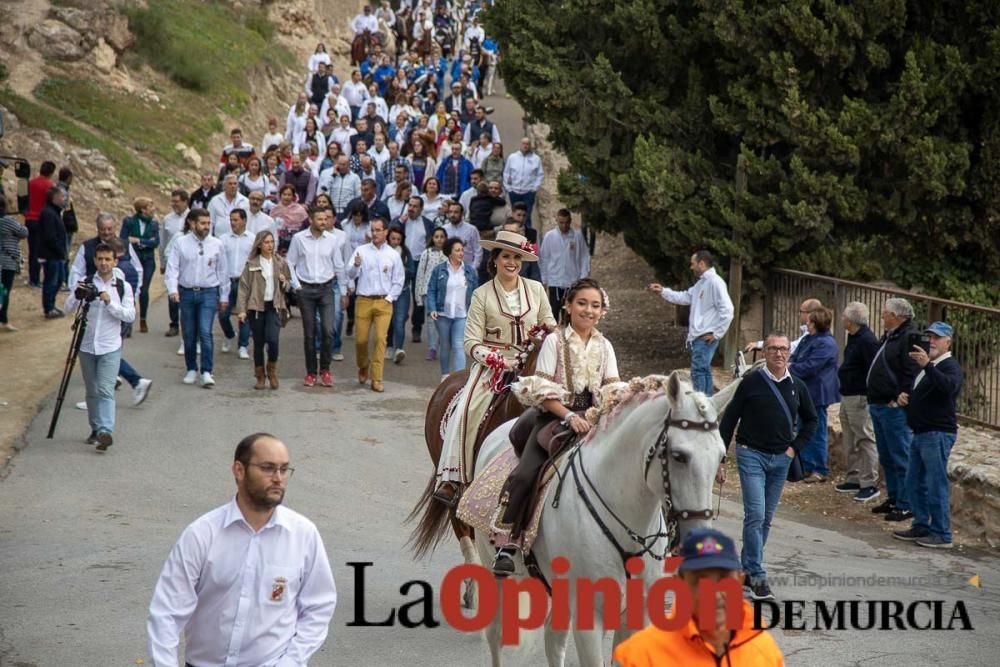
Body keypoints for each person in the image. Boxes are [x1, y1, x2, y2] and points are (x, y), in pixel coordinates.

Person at [147, 433, 337, 665]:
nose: (278, 478)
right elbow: (167, 611)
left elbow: (319, 606)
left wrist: (291, 662)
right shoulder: (202, 534)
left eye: (284, 469)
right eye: (268, 468)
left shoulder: (303, 534)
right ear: (239, 470)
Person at [492, 278, 616, 574]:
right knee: (525, 473)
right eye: (582, 303)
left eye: (595, 305)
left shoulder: (605, 345)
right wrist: (570, 416)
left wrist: (598, 415)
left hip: (594, 417)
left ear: (602, 311)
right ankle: (507, 541)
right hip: (555, 415)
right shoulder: (554, 341)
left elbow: (612, 386)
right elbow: (543, 391)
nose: (589, 310)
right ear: (568, 305)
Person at [433, 230, 555, 504]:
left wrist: (540, 340)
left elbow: (551, 324)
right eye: (506, 256)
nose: (512, 262)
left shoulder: (535, 289)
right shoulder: (481, 294)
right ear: (495, 259)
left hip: (534, 364)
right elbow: (471, 343)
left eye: (517, 257)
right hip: (493, 367)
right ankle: (451, 477)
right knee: (467, 407)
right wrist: (501, 361)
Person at [719, 331, 817, 601]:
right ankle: (757, 575)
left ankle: (745, 572)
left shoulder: (798, 385)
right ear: (765, 353)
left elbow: (811, 420)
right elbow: (729, 420)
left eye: (783, 349)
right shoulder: (750, 382)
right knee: (756, 514)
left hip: (780, 460)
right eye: (773, 348)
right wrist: (720, 458)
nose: (779, 353)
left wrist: (793, 448)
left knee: (766, 519)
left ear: (790, 352)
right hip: (751, 454)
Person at [613, 528, 784, 666]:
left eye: (724, 578)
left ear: (740, 581)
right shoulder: (637, 657)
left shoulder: (765, 651)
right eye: (700, 581)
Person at [892, 322, 963, 549]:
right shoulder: (929, 366)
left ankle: (941, 533)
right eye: (929, 336)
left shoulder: (949, 365)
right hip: (921, 432)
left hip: (937, 433)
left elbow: (948, 388)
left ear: (948, 342)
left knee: (935, 483)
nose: (931, 341)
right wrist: (906, 399)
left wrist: (928, 366)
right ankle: (921, 524)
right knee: (914, 481)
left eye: (937, 338)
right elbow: (925, 396)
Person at [64, 242, 135, 451]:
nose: (104, 263)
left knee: (105, 389)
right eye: (100, 259)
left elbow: (130, 315)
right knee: (92, 390)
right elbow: (68, 308)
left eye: (108, 259)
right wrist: (77, 294)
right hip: (86, 346)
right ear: (95, 261)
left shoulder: (122, 286)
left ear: (115, 261)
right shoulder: (85, 281)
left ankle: (106, 430)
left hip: (110, 346)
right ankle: (95, 428)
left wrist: (109, 302)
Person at [648, 250, 734, 396]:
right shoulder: (702, 283)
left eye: (693, 264)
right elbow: (684, 297)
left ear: (702, 264)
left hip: (704, 337)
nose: (691, 267)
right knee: (703, 370)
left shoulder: (715, 282)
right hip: (700, 337)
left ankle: (700, 406)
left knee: (699, 371)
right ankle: (707, 403)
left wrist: (717, 333)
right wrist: (663, 291)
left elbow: (728, 309)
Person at [866, 297, 921, 522]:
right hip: (879, 403)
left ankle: (906, 503)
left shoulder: (908, 337)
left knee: (900, 456)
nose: (882, 317)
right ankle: (895, 497)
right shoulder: (891, 336)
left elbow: (912, 369)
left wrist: (902, 394)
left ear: (896, 316)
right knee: (887, 456)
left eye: (885, 313)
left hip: (893, 406)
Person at [165, 209, 229, 388]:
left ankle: (207, 371)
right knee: (189, 333)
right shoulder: (181, 243)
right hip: (186, 293)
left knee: (205, 331)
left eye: (208, 223)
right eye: (202, 223)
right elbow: (173, 268)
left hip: (209, 292)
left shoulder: (217, 244)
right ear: (192, 223)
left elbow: (223, 271)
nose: (206, 227)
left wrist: (224, 296)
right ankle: (191, 368)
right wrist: (172, 289)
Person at [287, 207, 350, 387]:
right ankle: (311, 372)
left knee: (328, 330)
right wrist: (296, 286)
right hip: (305, 290)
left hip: (326, 289)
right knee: (309, 333)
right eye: (320, 219)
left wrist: (344, 291)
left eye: (326, 219)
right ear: (311, 220)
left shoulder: (332, 240)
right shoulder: (299, 239)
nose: (324, 222)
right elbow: (289, 263)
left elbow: (339, 266)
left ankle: (325, 369)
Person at [348, 217, 404, 393]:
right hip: (363, 299)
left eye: (378, 230)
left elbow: (399, 280)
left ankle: (377, 377)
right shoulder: (361, 250)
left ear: (386, 232)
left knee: (381, 339)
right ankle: (363, 365)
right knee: (361, 340)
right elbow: (349, 274)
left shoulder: (393, 254)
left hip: (383, 301)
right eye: (372, 230)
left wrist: (389, 298)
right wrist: (356, 266)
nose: (375, 233)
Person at [788, 306, 840, 483]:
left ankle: (819, 468)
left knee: (816, 430)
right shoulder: (809, 339)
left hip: (817, 393)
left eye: (809, 320)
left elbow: (811, 366)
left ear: (815, 323)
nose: (806, 323)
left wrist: (790, 368)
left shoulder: (826, 343)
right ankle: (806, 465)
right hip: (806, 391)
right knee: (804, 428)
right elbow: (796, 357)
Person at [836, 302, 881, 502]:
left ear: (851, 320)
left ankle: (869, 482)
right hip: (847, 394)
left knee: (864, 438)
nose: (842, 319)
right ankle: (854, 477)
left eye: (845, 316)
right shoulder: (853, 337)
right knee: (850, 439)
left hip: (859, 396)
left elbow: (874, 369)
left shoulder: (867, 341)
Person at [237, 231, 292, 390]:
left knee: (273, 340)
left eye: (272, 242)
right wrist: (242, 310)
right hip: (256, 308)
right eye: (266, 242)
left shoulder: (280, 262)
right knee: (259, 343)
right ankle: (260, 375)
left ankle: (272, 369)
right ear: (259, 244)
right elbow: (243, 288)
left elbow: (288, 286)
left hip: (274, 306)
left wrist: (284, 282)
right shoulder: (252, 264)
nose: (270, 245)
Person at [426, 237, 477, 380]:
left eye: (462, 250)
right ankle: (445, 375)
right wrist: (432, 308)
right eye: (457, 250)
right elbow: (431, 290)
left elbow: (476, 293)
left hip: (462, 314)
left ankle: (459, 379)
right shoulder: (439, 270)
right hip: (442, 313)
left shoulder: (469, 271)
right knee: (445, 345)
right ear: (450, 253)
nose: (461, 253)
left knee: (458, 345)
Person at [538, 208, 590, 316]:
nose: (564, 225)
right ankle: (554, 333)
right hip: (555, 281)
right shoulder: (550, 236)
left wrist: (583, 277)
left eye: (566, 222)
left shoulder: (577, 236)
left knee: (570, 314)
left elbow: (584, 257)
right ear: (556, 221)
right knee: (554, 313)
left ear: (570, 221)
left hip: (572, 281)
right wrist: (544, 278)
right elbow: (544, 258)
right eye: (561, 222)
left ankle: (569, 332)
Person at [120, 197, 160, 333]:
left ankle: (143, 318)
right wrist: (146, 241)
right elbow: (123, 240)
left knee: (144, 289)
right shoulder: (129, 222)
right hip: (133, 259)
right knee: (130, 288)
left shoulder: (154, 224)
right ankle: (129, 320)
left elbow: (155, 243)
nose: (154, 209)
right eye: (151, 206)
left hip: (148, 260)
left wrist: (138, 240)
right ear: (143, 209)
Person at [220, 209, 254, 360]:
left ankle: (243, 345)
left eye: (236, 220)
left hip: (245, 282)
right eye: (231, 220)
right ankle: (229, 334)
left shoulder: (253, 239)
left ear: (244, 221)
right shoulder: (223, 239)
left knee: (244, 315)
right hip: (227, 281)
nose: (233, 223)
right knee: (222, 314)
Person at [415, 227, 448, 361]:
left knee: (443, 320)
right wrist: (418, 295)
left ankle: (442, 343)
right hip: (429, 292)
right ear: (432, 238)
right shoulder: (426, 254)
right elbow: (420, 274)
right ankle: (432, 348)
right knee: (430, 321)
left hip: (445, 292)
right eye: (436, 236)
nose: (439, 239)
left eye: (442, 236)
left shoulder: (449, 254)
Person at [746, 298, 821, 355]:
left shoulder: (814, 334)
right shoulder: (809, 333)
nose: (799, 314)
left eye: (801, 312)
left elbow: (792, 348)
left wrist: (760, 345)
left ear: (810, 314)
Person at [160, 190, 189, 337]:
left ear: (185, 201)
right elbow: (163, 242)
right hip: (172, 262)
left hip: (188, 264)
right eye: (172, 202)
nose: (174, 205)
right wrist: (163, 262)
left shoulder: (193, 217)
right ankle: (174, 324)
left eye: (177, 202)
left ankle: (187, 324)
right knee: (172, 293)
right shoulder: (167, 219)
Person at [385, 224, 415, 364]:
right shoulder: (383, 250)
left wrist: (401, 268)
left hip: (402, 291)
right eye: (393, 238)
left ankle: (399, 349)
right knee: (388, 320)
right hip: (386, 291)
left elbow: (412, 271)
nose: (395, 241)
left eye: (398, 239)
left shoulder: (405, 252)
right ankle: (389, 345)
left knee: (399, 320)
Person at [38, 186, 68, 318]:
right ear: (54, 198)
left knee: (59, 279)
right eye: (62, 196)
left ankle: (51, 305)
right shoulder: (48, 213)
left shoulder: (55, 212)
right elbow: (50, 236)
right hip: (51, 254)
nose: (64, 199)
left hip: (57, 254)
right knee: (51, 281)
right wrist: (60, 249)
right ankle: (48, 308)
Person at [25, 160, 55, 287]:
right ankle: (35, 279)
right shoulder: (49, 185)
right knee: (39, 250)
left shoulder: (31, 183)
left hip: (29, 219)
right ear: (51, 172)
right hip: (41, 221)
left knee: (32, 249)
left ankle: (32, 276)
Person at [0, 196, 28, 331]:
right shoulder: (8, 221)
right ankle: (3, 320)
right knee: (4, 291)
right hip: (6, 262)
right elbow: (24, 232)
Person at [503, 138, 544, 228]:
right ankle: (514, 233)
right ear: (520, 144)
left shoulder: (536, 159)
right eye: (524, 144)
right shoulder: (512, 157)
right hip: (514, 192)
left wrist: (534, 188)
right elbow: (506, 173)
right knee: (515, 215)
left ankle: (527, 237)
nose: (525, 146)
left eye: (527, 144)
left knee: (527, 216)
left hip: (528, 193)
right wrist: (508, 188)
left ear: (530, 145)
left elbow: (540, 175)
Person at [441, 201, 481, 271]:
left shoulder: (471, 229)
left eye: (456, 212)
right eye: (450, 212)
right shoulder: (444, 229)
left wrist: (473, 268)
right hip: (448, 269)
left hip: (467, 268)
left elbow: (478, 250)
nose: (452, 215)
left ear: (462, 214)